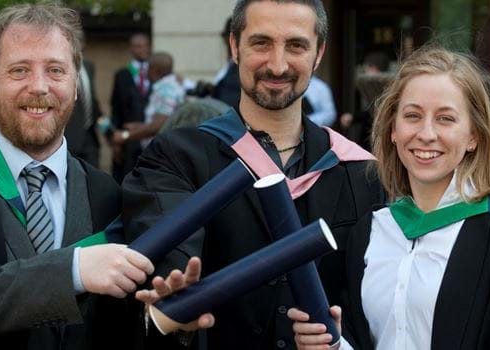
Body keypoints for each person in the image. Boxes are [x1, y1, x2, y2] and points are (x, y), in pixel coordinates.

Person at [0, 4, 211, 349]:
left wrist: (168, 320)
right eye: (19, 70)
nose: (39, 87)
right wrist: (72, 271)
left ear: (75, 86)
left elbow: (119, 329)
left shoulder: (107, 194)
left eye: (56, 70)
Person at [122, 1, 384, 349]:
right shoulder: (176, 157)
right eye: (261, 43)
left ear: (318, 53)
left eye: (296, 45)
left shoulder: (361, 172)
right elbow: (171, 254)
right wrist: (176, 293)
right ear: (234, 46)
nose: (278, 65)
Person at [289, 47, 490, 349]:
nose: (426, 133)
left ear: (474, 135)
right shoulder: (370, 233)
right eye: (412, 116)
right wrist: (332, 343)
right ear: (392, 130)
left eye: (445, 119)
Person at [115, 52, 185, 149]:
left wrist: (125, 135)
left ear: (155, 70)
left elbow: (157, 126)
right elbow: (162, 120)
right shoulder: (165, 87)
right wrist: (140, 126)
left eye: (147, 67)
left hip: (163, 153)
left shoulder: (167, 91)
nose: (144, 71)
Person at [110, 33, 151, 182]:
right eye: (138, 46)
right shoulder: (122, 75)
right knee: (128, 177)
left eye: (145, 46)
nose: (142, 50)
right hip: (128, 137)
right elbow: (115, 107)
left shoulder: (155, 72)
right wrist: (115, 139)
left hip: (150, 135)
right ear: (132, 49)